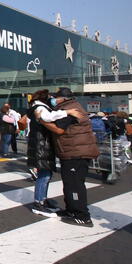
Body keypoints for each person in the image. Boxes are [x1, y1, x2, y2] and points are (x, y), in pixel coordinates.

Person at [43, 87, 99, 227]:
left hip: (76, 153)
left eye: (56, 97)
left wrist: (42, 121)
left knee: (74, 184)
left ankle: (82, 216)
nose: (53, 99)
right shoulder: (69, 108)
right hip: (72, 151)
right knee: (69, 183)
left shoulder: (71, 110)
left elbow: (59, 129)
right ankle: (71, 210)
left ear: (63, 98)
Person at [26, 89, 82, 217]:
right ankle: (38, 203)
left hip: (42, 145)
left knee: (46, 174)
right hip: (41, 146)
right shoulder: (39, 107)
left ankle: (43, 200)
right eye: (52, 97)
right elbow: (47, 117)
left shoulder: (40, 106)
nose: (54, 99)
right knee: (44, 175)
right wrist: (68, 112)